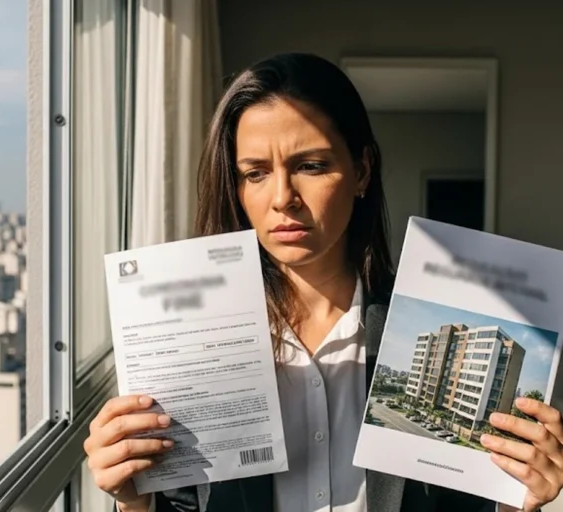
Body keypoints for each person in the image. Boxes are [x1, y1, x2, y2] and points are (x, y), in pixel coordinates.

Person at [83, 53, 563, 512]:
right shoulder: (195, 341)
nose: (282, 198)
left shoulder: (415, 332)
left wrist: (514, 499)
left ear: (362, 170)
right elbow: (185, 505)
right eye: (255, 173)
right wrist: (133, 499)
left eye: (310, 166)